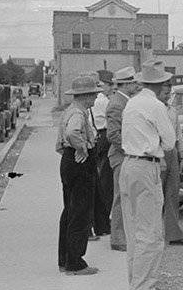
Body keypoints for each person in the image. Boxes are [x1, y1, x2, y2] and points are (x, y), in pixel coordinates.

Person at [119, 61, 175, 290]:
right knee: (150, 231)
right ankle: (142, 288)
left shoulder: (131, 103)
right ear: (161, 84)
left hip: (128, 165)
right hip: (146, 166)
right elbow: (170, 142)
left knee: (134, 230)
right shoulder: (156, 106)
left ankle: (137, 281)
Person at [56, 73, 100, 275]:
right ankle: (75, 262)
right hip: (79, 163)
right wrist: (82, 148)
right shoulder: (78, 114)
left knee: (70, 210)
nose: (96, 98)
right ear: (86, 95)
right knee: (80, 213)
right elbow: (73, 132)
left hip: (68, 161)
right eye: (94, 94)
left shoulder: (70, 110)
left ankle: (65, 259)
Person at [105, 66, 138, 251]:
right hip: (121, 156)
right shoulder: (118, 104)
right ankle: (117, 238)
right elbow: (113, 135)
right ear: (126, 84)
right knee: (121, 196)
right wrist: (131, 149)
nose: (136, 85)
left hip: (125, 155)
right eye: (133, 82)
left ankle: (123, 234)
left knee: (126, 195)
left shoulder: (125, 101)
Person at [163, 94, 183, 246]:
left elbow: (178, 135)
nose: (167, 90)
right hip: (157, 152)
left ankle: (173, 234)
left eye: (169, 86)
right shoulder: (153, 108)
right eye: (164, 86)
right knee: (155, 195)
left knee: (173, 194)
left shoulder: (172, 111)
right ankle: (154, 236)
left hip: (172, 152)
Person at [88, 73, 113, 238]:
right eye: (109, 85)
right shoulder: (104, 101)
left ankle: (98, 222)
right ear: (102, 85)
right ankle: (101, 222)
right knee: (105, 184)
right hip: (103, 137)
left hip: (95, 138)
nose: (112, 88)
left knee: (98, 183)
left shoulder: (93, 102)